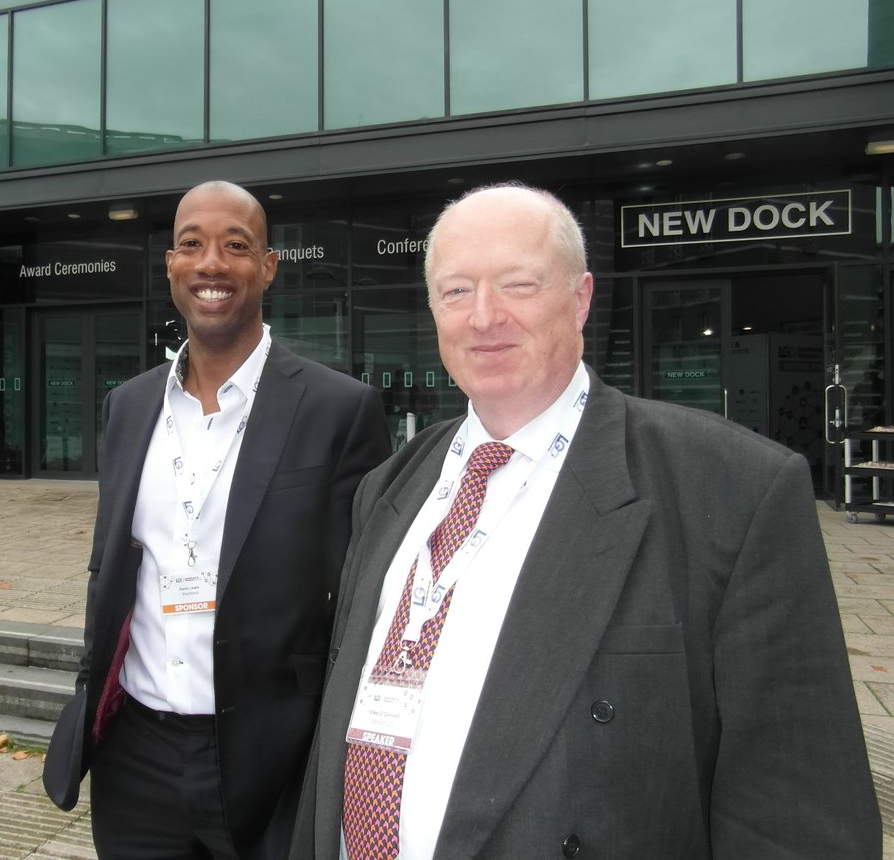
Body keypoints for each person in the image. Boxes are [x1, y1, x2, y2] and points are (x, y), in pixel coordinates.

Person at [291, 183, 880, 859]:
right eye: (457, 291)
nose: (483, 316)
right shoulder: (389, 487)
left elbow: (796, 814)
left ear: (581, 298)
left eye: (518, 284)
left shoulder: (734, 489)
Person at [51, 180, 391, 860]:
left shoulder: (339, 410)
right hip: (135, 757)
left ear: (267, 266)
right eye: (192, 244)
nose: (212, 263)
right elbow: (111, 569)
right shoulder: (128, 407)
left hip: (271, 759)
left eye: (236, 246)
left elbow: (364, 595)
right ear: (171, 265)